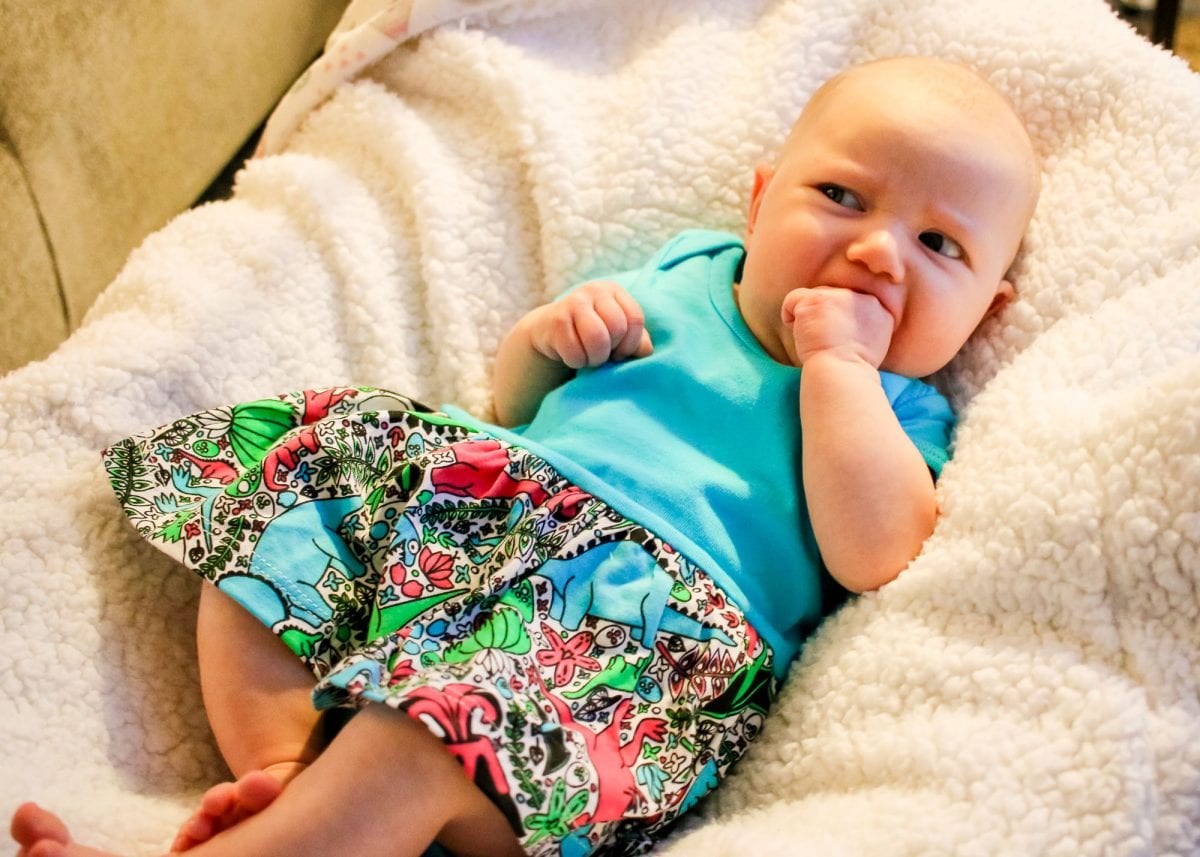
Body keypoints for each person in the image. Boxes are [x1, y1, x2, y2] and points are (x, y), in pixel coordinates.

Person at [12, 55, 1040, 857]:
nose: (877, 251)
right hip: (474, 518)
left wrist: (839, 370)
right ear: (761, 200)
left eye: (939, 245)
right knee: (279, 507)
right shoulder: (693, 271)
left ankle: (317, 821)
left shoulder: (900, 409)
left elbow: (877, 551)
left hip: (625, 641)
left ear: (986, 309)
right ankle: (293, 775)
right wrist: (552, 340)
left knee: (431, 731)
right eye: (844, 196)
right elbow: (521, 404)